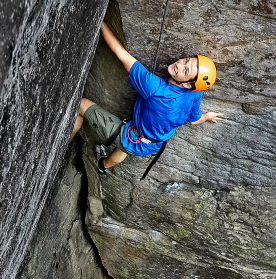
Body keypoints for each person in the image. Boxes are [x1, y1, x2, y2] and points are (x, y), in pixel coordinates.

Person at [71, 22, 223, 176]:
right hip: (154, 144)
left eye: (186, 70)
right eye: (186, 60)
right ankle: (102, 166)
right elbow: (195, 119)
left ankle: (63, 141)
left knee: (80, 105)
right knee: (124, 148)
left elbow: (121, 53)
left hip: (133, 136)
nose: (179, 64)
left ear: (188, 84)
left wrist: (100, 21)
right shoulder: (196, 92)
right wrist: (207, 116)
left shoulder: (155, 87)